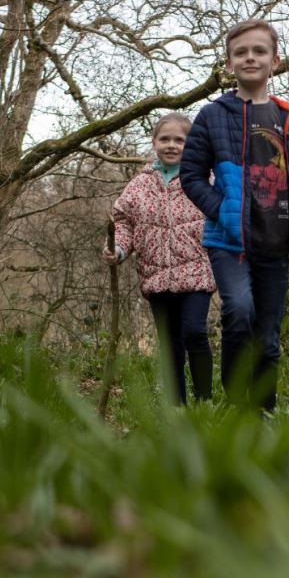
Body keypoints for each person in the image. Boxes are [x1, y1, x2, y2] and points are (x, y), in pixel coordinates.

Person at [181, 19, 289, 412]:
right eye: (241, 52)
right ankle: (235, 406)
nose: (250, 57)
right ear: (229, 63)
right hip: (229, 241)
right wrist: (223, 211)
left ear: (275, 60)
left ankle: (263, 412)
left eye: (259, 51)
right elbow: (192, 175)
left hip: (275, 242)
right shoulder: (212, 116)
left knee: (267, 336)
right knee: (239, 310)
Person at [104, 113, 216, 404]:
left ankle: (205, 401)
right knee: (170, 345)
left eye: (180, 140)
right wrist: (118, 249)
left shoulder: (204, 178)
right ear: (154, 142)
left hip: (196, 272)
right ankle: (177, 406)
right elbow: (123, 222)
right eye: (165, 139)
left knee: (194, 331)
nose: (172, 145)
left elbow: (223, 213)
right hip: (155, 277)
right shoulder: (139, 185)